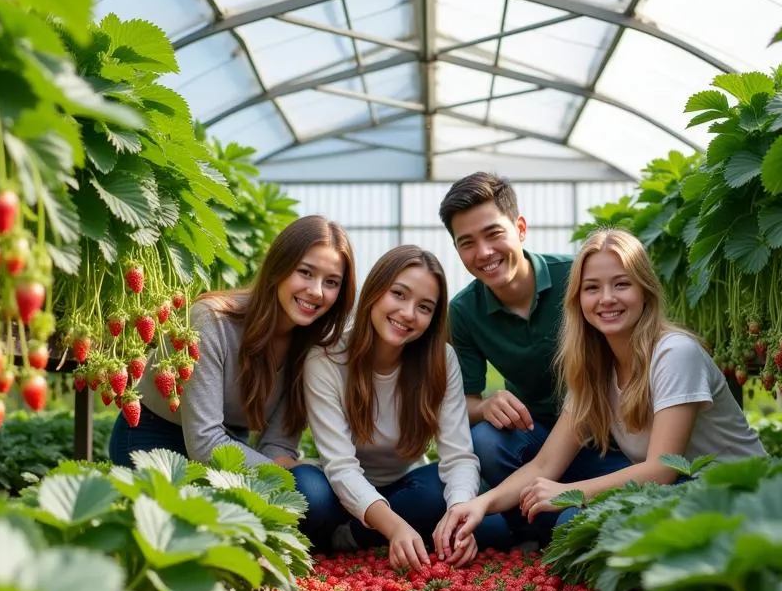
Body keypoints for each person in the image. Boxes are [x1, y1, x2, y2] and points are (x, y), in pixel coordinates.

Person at [433, 228, 767, 557]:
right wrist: (480, 503)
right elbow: (545, 464)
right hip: (675, 492)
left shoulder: (674, 353)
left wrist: (569, 491)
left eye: (621, 284)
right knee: (572, 519)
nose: (606, 298)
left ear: (645, 291)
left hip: (734, 491)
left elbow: (662, 469)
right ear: (578, 300)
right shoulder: (595, 369)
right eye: (592, 288)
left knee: (573, 519)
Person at [438, 173, 630, 540]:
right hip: (538, 442)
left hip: (609, 439)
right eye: (467, 243)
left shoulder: (575, 279)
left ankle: (538, 517)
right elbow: (462, 402)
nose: (484, 253)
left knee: (623, 487)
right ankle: (548, 515)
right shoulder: (463, 312)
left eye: (493, 233)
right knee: (487, 440)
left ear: (520, 228)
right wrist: (486, 406)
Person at [299, 245, 511, 570]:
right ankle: (381, 530)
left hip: (405, 488)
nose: (409, 313)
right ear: (375, 289)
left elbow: (458, 457)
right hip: (337, 490)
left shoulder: (440, 359)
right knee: (308, 494)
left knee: (445, 496)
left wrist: (458, 513)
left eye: (424, 307)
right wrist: (395, 526)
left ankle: (352, 537)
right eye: (399, 294)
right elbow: (340, 467)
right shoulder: (326, 358)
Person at [108, 215, 355, 478]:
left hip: (229, 445)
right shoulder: (211, 321)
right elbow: (204, 442)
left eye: (331, 282)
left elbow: (278, 444)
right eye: (305, 272)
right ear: (277, 268)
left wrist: (304, 474)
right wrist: (285, 475)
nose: (317, 291)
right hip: (153, 440)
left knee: (311, 488)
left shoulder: (312, 348)